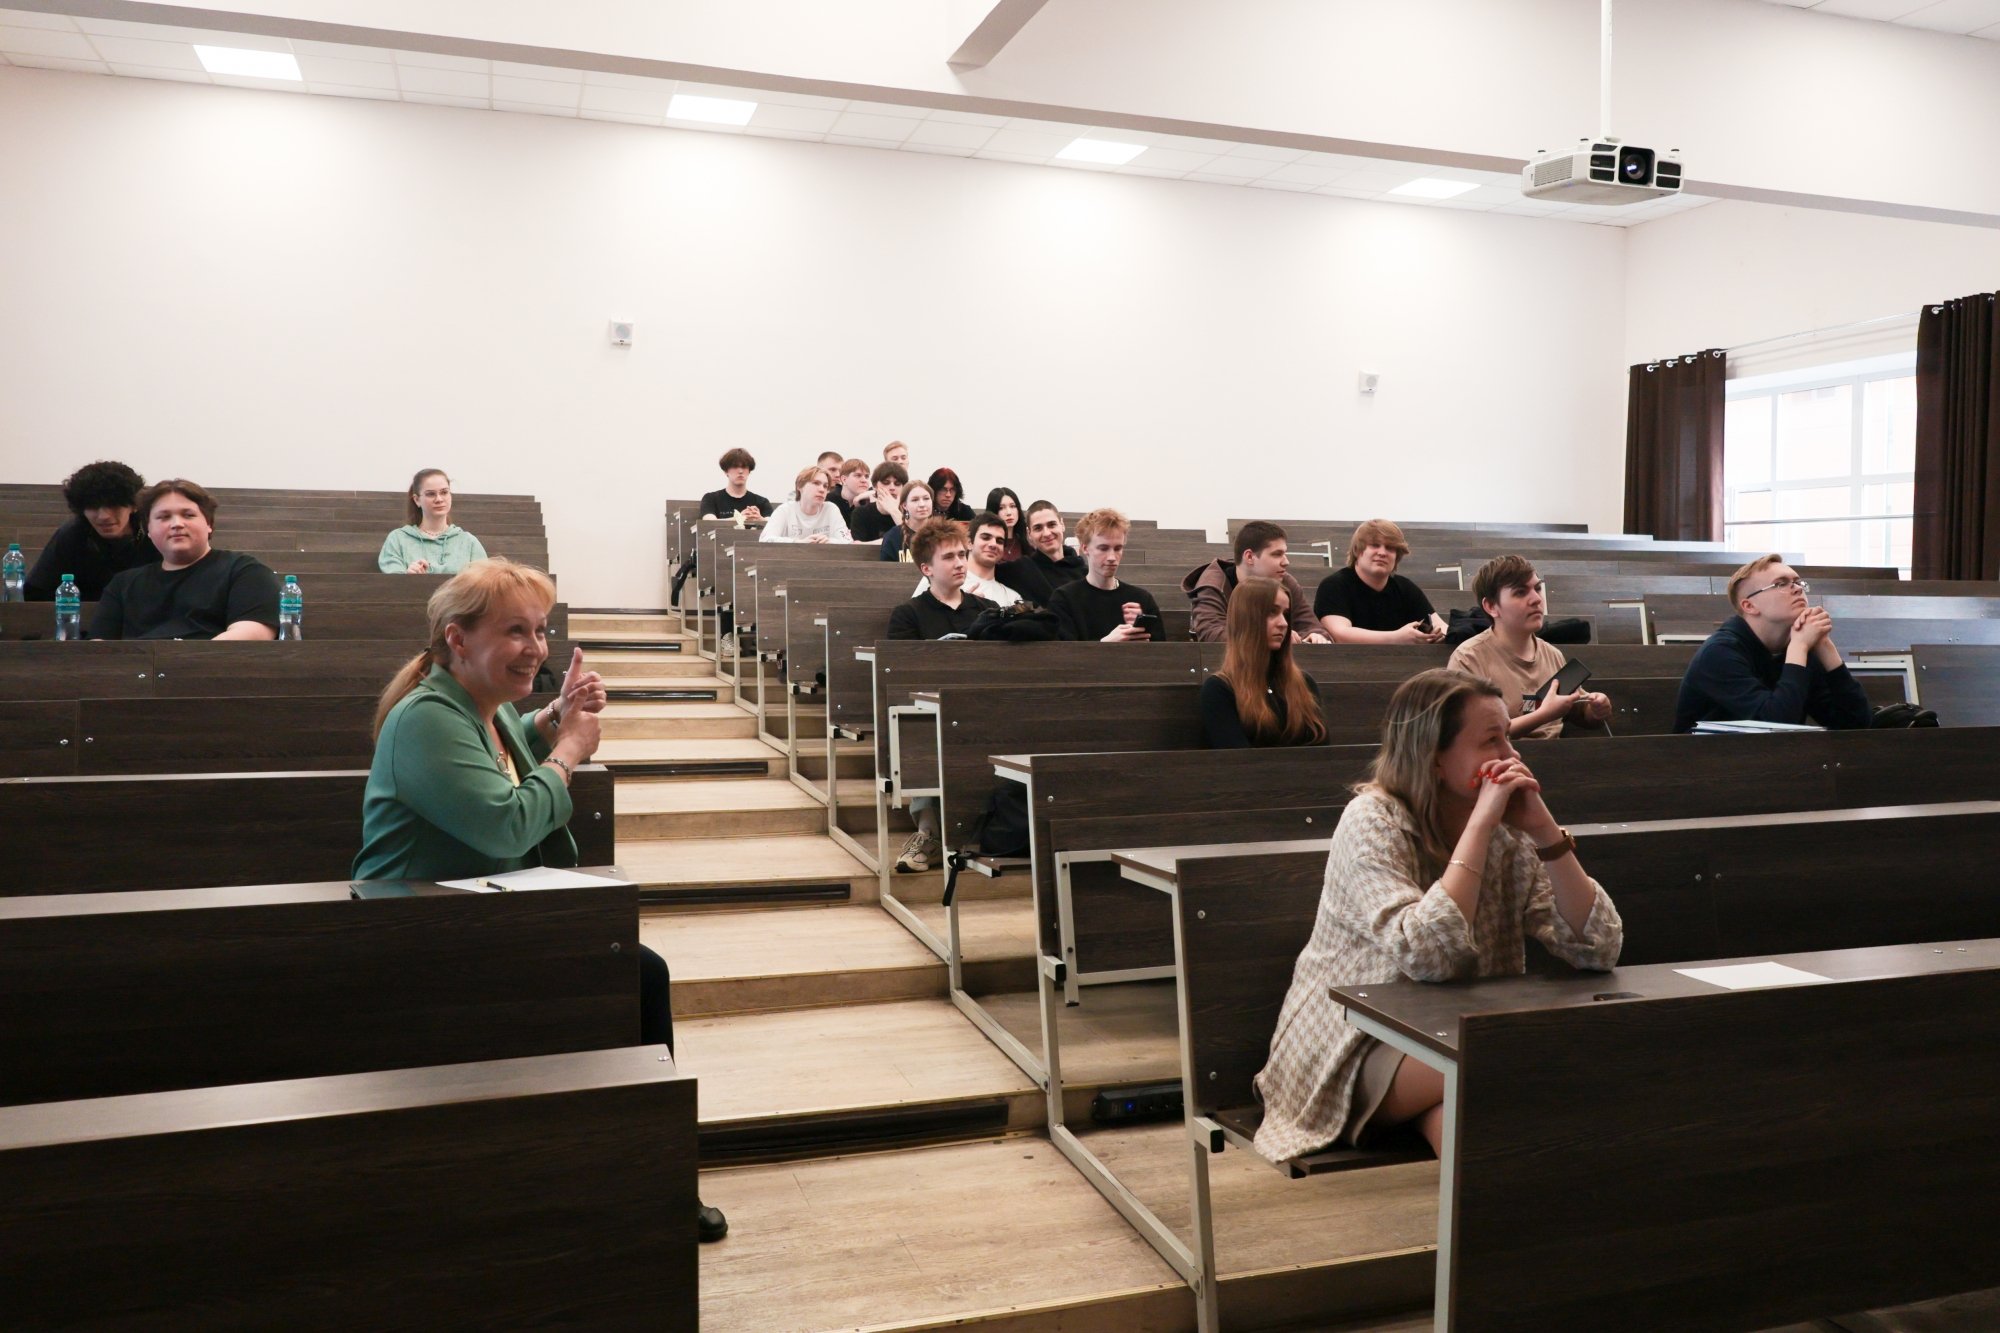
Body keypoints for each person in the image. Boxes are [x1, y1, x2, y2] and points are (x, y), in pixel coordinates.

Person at [350, 559, 728, 1244]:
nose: (536, 648)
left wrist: (555, 714)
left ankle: (645, 1163)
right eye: (515, 631)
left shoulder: (477, 705)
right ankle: (649, 1172)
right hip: (416, 933)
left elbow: (507, 748)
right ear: (457, 638)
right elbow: (507, 823)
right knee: (634, 973)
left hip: (475, 913)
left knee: (636, 969)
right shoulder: (426, 718)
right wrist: (571, 749)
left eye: (542, 630)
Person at [1252, 669, 1623, 1162]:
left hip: (1459, 1032)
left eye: (1508, 738)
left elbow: (1598, 947)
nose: (1512, 757)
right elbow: (1428, 955)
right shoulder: (1372, 821)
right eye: (1491, 742)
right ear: (1434, 759)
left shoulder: (1511, 830)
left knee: (1469, 1107)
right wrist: (1481, 825)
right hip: (1353, 1040)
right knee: (1513, 1066)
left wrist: (1545, 832)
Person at [887, 519, 994, 873]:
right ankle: (928, 833)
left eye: (962, 555)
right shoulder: (908, 614)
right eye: (949, 557)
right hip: (930, 711)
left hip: (980, 707)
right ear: (926, 569)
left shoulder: (986, 610)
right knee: (926, 728)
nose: (960, 562)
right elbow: (903, 678)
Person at [1672, 554, 1872, 733]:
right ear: (1749, 605)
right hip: (1707, 759)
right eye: (1780, 584)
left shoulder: (1800, 648)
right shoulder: (1719, 653)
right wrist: (1799, 647)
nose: (1797, 589)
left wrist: (1825, 646)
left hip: (1769, 759)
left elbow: (1856, 725)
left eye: (1798, 582)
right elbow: (1776, 726)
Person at [90, 479, 279, 641]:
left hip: (214, 667)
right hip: (136, 670)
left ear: (209, 524)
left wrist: (186, 661)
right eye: (164, 517)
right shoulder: (122, 584)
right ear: (149, 530)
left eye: (188, 515)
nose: (176, 524)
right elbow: (99, 646)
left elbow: (253, 632)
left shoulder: (245, 571)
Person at [1448, 556, 1612, 739]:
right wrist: (1543, 715)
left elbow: (1578, 713)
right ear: (1491, 606)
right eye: (1520, 592)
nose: (1536, 599)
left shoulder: (1552, 654)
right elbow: (1476, 735)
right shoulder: (1468, 658)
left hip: (1556, 754)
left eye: (1538, 588)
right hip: (1503, 756)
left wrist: (1594, 710)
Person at [1200, 578, 1328, 748]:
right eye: (1272, 612)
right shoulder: (1220, 689)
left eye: (1285, 614)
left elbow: (1322, 751)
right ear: (1246, 619)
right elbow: (1236, 758)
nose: (1283, 623)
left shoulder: (1304, 683)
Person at [25, 459, 156, 601]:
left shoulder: (154, 532)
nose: (103, 516)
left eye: (113, 505)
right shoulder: (72, 534)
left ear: (134, 506)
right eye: (93, 506)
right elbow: (36, 592)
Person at [1183, 520, 1327, 644]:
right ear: (1249, 557)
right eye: (1277, 554)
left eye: (1285, 553)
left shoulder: (1285, 581)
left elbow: (1313, 627)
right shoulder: (1213, 585)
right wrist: (1271, 637)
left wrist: (1316, 637)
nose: (1286, 562)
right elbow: (1212, 636)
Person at [1315, 519, 1447, 644]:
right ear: (1358, 550)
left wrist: (1438, 634)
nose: (1382, 553)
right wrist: (1397, 637)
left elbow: (1441, 626)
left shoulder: (1405, 588)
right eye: (1375, 545)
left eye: (1390, 548)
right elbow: (1340, 635)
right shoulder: (1334, 586)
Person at [1047, 508, 1164, 643]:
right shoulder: (1064, 599)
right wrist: (1106, 644)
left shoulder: (1142, 599)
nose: (1112, 557)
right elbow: (1063, 654)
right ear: (1085, 548)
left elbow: (1162, 652)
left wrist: (1143, 641)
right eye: (1103, 548)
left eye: (1118, 548)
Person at [670, 449, 771, 603]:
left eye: (744, 467)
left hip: (752, 554)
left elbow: (772, 525)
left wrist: (759, 519)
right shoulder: (712, 498)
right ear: (726, 471)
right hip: (720, 554)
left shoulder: (761, 501)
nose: (740, 471)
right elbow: (709, 522)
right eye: (735, 467)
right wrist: (740, 519)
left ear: (749, 471)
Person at [378, 468, 488, 575]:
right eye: (431, 494)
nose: (439, 499)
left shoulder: (469, 541)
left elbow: (484, 580)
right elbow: (393, 581)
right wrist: (408, 576)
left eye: (444, 492)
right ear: (417, 500)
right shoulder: (397, 539)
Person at [916, 511, 1020, 607]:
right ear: (969, 543)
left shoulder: (1011, 597)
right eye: (985, 537)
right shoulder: (938, 578)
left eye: (999, 541)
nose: (993, 544)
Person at [996, 500, 1087, 603]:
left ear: (1062, 524)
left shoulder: (1085, 572)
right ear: (1029, 533)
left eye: (1051, 525)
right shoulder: (1022, 570)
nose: (1047, 533)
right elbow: (986, 570)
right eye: (1038, 528)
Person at [761, 466, 854, 544]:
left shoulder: (831, 509)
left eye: (825, 486)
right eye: (816, 483)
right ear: (800, 486)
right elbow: (765, 539)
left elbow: (848, 542)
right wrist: (799, 542)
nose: (822, 489)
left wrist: (829, 541)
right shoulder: (785, 510)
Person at [850, 462, 906, 543]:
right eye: (886, 483)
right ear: (875, 486)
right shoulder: (861, 513)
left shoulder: (909, 512)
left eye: (897, 484)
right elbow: (859, 546)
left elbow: (911, 540)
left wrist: (894, 511)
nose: (892, 487)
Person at [879, 480, 934, 562]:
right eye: (915, 500)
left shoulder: (942, 533)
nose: (922, 504)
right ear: (904, 505)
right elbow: (886, 568)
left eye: (926, 498)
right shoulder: (893, 536)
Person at [985, 487, 1025, 563]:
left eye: (1012, 506)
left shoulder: (1025, 543)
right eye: (1001, 508)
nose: (1009, 513)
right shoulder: (987, 544)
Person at [830, 457, 871, 526]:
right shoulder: (829, 500)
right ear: (844, 480)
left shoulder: (870, 499)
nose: (864, 480)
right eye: (858, 476)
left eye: (866, 476)